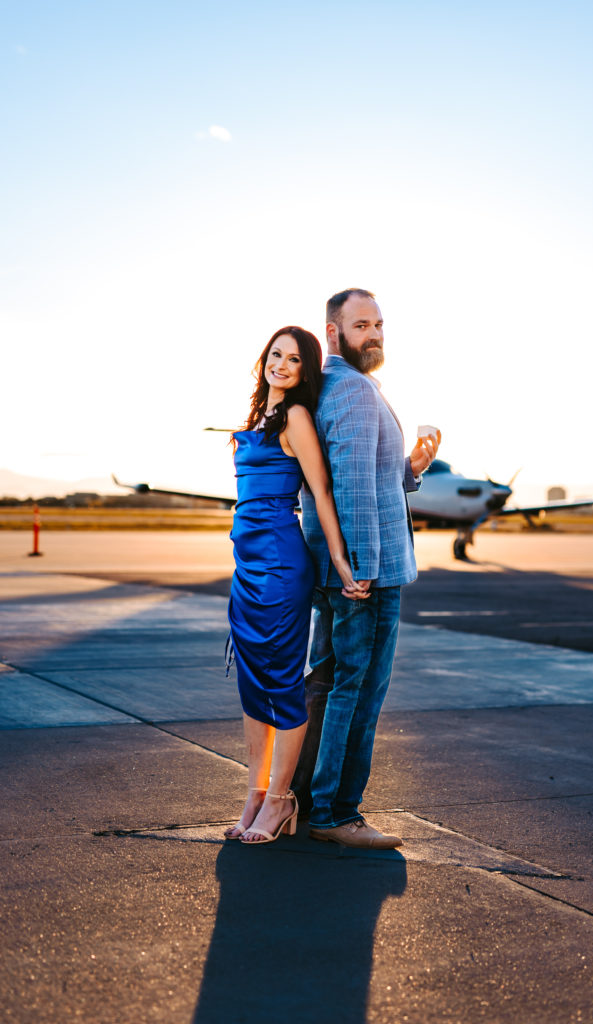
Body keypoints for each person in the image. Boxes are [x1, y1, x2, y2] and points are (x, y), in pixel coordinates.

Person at [296, 288, 440, 849]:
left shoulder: (335, 387)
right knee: (357, 692)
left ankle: (306, 802)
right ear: (333, 332)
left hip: (344, 570)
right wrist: (364, 572)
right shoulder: (353, 390)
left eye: (378, 323)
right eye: (361, 324)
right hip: (365, 576)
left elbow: (365, 476)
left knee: (329, 684)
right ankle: (337, 815)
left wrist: (412, 469)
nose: (374, 333)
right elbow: (350, 488)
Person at [224, 326, 366, 845]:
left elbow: (322, 491)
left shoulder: (297, 418)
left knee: (282, 683)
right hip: (246, 567)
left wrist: (338, 558)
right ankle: (255, 793)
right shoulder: (254, 421)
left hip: (283, 568)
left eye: (294, 360)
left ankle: (283, 798)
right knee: (251, 683)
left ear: (306, 371)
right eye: (275, 355)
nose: (281, 364)